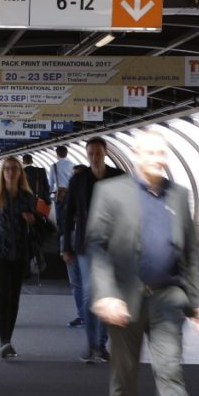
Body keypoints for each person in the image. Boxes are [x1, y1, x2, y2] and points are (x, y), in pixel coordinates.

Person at [87, 130, 199, 396]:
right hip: (124, 299)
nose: (157, 159)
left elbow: (191, 256)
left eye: (162, 153)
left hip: (168, 298)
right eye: (151, 152)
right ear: (136, 154)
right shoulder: (110, 192)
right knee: (124, 373)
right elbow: (96, 246)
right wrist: (106, 293)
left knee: (171, 369)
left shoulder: (179, 196)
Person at [62, 136, 125, 363]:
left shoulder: (119, 177)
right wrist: (65, 246)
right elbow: (68, 213)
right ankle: (91, 344)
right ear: (87, 155)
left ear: (105, 153)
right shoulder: (79, 180)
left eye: (98, 153)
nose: (95, 157)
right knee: (89, 294)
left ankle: (101, 343)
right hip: (86, 245)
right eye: (91, 154)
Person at [0, 156, 36, 358]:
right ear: (3, 173)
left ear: (20, 172)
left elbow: (38, 226)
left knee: (14, 298)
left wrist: (32, 219)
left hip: (20, 253)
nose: (11, 172)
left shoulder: (28, 197)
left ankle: (8, 338)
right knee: (3, 295)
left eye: (15, 169)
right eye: (7, 169)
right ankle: (4, 340)